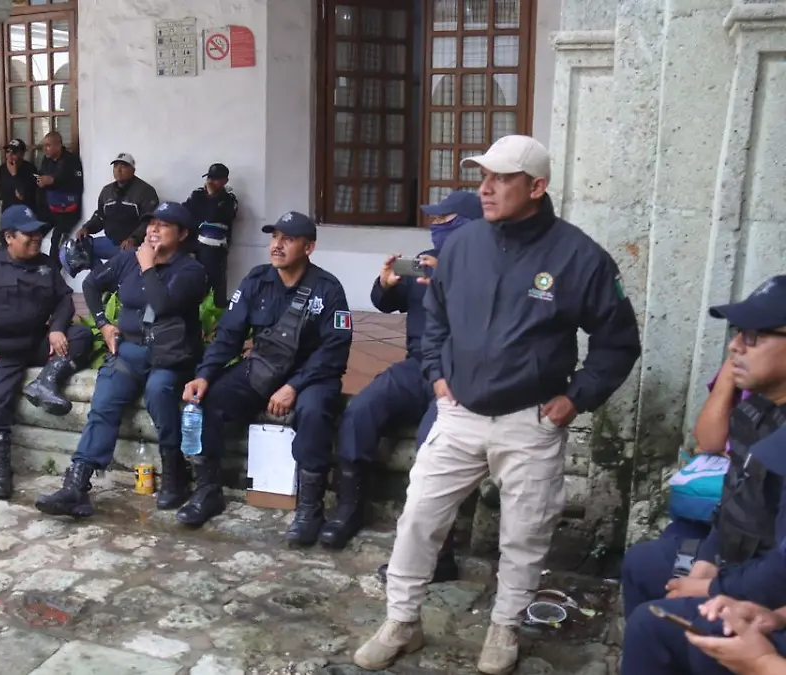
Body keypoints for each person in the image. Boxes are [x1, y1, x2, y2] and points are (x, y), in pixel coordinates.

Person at [356, 135, 642, 674]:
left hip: (530, 421)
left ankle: (505, 626)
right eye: (481, 176)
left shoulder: (580, 257)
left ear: (536, 187)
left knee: (526, 532)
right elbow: (435, 314)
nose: (485, 188)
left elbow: (618, 342)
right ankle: (401, 620)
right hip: (459, 414)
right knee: (418, 517)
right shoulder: (462, 246)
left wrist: (574, 399)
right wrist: (437, 376)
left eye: (502, 178)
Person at [323, 190, 482, 554]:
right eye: (434, 221)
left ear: (468, 227)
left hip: (460, 375)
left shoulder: (486, 271)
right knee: (361, 411)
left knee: (434, 444)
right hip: (418, 366)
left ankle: (434, 551)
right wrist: (386, 283)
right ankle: (350, 509)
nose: (434, 227)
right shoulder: (424, 264)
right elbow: (384, 303)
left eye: (444, 221)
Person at [180, 211, 352, 539]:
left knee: (315, 413)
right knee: (208, 399)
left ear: (308, 247)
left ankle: (310, 509)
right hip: (263, 368)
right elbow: (229, 335)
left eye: (288, 239)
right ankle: (208, 491)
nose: (277, 245)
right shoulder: (257, 281)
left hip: (312, 376)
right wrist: (204, 375)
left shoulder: (327, 290)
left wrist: (295, 386)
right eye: (275, 237)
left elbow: (334, 350)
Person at [621, 277, 786, 617]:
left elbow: (779, 570)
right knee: (642, 563)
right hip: (734, 559)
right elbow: (730, 503)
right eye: (736, 332)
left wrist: (713, 587)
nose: (735, 346)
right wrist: (708, 560)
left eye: (753, 336)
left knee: (651, 629)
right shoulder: (754, 411)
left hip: (765, 588)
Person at [36, 202, 206, 518]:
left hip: (169, 357)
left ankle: (174, 473)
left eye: (163, 225)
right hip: (128, 352)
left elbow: (163, 305)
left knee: (159, 391)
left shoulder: (190, 270)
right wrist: (103, 322)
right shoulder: (129, 259)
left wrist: (148, 266)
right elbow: (90, 283)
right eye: (151, 223)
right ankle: (77, 483)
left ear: (182, 234)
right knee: (105, 403)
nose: (153, 229)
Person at [0, 204, 93, 499]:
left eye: (38, 233)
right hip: (0, 354)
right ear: (9, 236)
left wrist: (57, 328)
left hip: (37, 343)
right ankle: (0, 472)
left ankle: (46, 382)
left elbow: (63, 299)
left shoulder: (47, 265)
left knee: (82, 336)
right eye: (29, 234)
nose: (37, 238)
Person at [621, 427, 786, 675]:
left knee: (713, 635)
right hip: (739, 564)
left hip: (755, 575)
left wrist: (763, 663)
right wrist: (777, 617)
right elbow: (730, 506)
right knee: (660, 612)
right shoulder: (759, 420)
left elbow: (777, 570)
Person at [75, 153, 159, 270]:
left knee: (125, 271)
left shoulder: (145, 191)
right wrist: (87, 228)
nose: (118, 170)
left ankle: (115, 282)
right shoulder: (107, 191)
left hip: (135, 246)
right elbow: (100, 216)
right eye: (115, 166)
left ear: (133, 170)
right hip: (111, 242)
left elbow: (149, 221)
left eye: (123, 166)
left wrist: (134, 239)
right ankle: (102, 281)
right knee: (80, 249)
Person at [184, 163, 239, 303]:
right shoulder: (197, 194)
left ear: (225, 181)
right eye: (209, 178)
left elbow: (213, 217)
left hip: (214, 248)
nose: (210, 182)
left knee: (212, 283)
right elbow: (187, 213)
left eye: (215, 179)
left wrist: (212, 196)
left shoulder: (228, 199)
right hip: (192, 243)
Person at [35, 132, 84, 274]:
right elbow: (43, 179)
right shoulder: (46, 160)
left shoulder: (71, 161)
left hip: (69, 211)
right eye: (44, 146)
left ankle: (52, 274)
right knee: (33, 232)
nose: (45, 149)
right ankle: (32, 269)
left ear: (59, 145)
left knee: (57, 238)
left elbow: (77, 186)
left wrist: (54, 181)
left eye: (48, 145)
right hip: (50, 209)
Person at [0, 139, 39, 211]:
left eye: (14, 152)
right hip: (8, 211)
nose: (10, 155)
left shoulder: (30, 169)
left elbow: (22, 195)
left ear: (22, 154)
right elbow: (0, 194)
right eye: (8, 151)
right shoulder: (2, 169)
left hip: (25, 211)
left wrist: (14, 174)